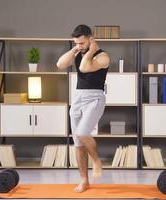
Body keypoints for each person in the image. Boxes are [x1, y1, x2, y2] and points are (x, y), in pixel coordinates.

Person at [56, 24, 110, 193]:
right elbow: (60, 64)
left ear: (91, 39)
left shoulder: (103, 57)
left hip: (95, 98)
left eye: (81, 43)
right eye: (76, 43)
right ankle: (84, 180)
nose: (79, 46)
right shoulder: (78, 51)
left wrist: (91, 51)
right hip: (78, 97)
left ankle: (96, 162)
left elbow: (84, 68)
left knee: (82, 132)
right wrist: (75, 50)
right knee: (78, 143)